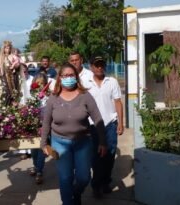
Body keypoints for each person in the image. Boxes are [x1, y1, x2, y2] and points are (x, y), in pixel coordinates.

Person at [41, 63, 106, 205]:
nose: (68, 78)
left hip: (83, 142)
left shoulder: (85, 96)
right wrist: (44, 143)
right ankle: (68, 202)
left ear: (76, 77)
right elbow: (46, 122)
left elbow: (98, 119)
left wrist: (102, 141)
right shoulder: (54, 98)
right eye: (65, 75)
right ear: (60, 78)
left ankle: (76, 193)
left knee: (84, 177)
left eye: (71, 75)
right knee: (65, 178)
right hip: (60, 142)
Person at [87, 56, 124, 198]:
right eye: (96, 65)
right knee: (95, 157)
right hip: (92, 125)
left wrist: (120, 123)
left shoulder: (112, 82)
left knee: (109, 155)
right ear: (91, 67)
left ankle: (105, 182)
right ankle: (96, 185)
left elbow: (118, 102)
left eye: (102, 65)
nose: (99, 68)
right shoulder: (86, 83)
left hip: (110, 124)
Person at [29, 72, 51, 184]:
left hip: (45, 125)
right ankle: (35, 165)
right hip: (34, 125)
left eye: (42, 83)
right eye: (38, 83)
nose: (40, 85)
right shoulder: (32, 96)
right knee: (33, 150)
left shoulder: (49, 96)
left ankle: (39, 171)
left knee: (42, 149)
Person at [0, 40, 26, 107]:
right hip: (4, 78)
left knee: (14, 92)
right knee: (6, 92)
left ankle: (13, 103)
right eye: (6, 48)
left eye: (9, 48)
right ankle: (5, 105)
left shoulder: (12, 56)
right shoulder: (1, 58)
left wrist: (16, 66)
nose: (7, 49)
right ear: (4, 49)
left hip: (13, 77)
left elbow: (18, 64)